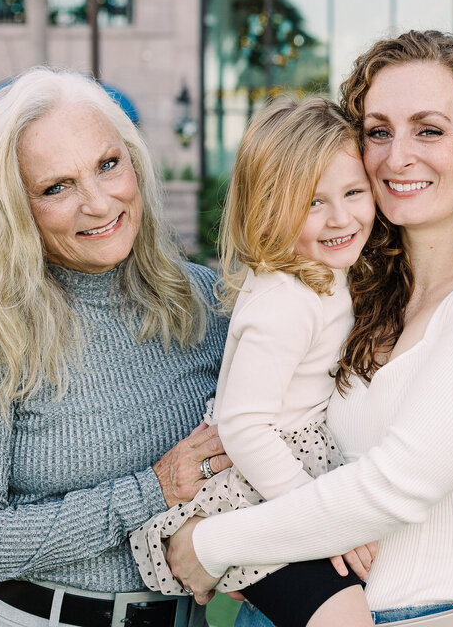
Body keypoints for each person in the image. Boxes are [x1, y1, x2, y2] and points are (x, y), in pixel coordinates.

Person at [165, 30, 453, 627]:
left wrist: (210, 545)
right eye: (378, 131)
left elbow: (395, 487)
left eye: (428, 130)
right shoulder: (356, 289)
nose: (396, 156)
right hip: (288, 609)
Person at [0, 68, 230, 627]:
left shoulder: (210, 304)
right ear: (13, 207)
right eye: (56, 187)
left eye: (108, 165)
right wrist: (151, 491)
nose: (98, 202)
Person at [130, 97, 377, 627]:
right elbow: (244, 424)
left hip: (288, 479)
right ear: (270, 207)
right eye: (313, 202)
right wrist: (319, 517)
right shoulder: (285, 299)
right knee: (346, 617)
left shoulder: (324, 271)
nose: (342, 217)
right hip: (258, 490)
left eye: (354, 192)